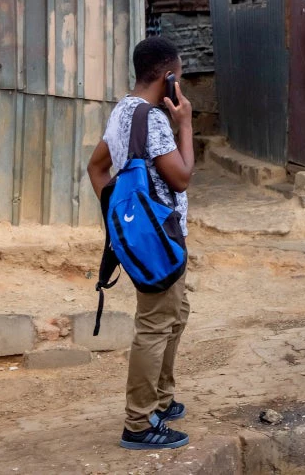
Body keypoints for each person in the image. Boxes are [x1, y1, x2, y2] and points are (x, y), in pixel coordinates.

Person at [86, 37, 195, 450]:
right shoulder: (151, 119)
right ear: (168, 76)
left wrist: (118, 222)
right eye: (179, 76)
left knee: (176, 314)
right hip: (159, 240)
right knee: (154, 324)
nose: (180, 85)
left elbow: (97, 167)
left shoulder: (123, 110)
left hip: (156, 238)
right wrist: (184, 123)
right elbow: (181, 176)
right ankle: (138, 422)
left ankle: (161, 401)